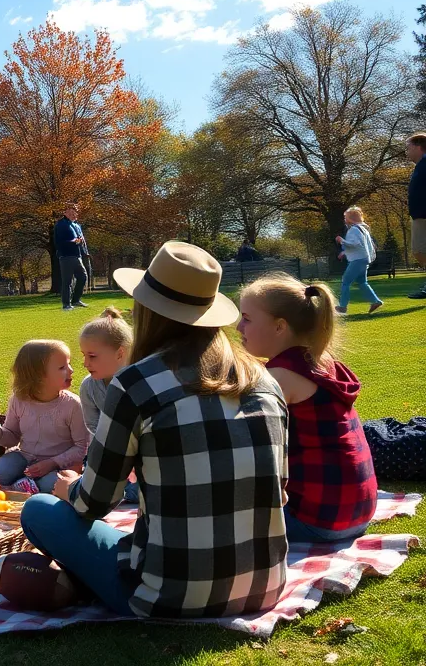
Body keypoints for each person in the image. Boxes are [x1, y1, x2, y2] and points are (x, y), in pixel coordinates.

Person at [21, 241, 288, 618]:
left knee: (39, 509)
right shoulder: (264, 379)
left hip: (170, 595)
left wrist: (70, 490)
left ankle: (80, 583)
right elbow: (280, 489)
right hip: (265, 587)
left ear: (146, 311)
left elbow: (95, 501)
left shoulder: (136, 383)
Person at [238, 274, 377, 543]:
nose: (238, 326)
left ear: (280, 327)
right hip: (357, 514)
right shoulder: (321, 361)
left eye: (247, 318)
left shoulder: (280, 376)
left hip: (317, 521)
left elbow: (244, 445)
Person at [0, 340, 90, 493]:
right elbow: (12, 437)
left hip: (58, 465)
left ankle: (26, 486)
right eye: (62, 367)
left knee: (57, 484)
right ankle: (22, 484)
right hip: (24, 458)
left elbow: (81, 448)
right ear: (38, 375)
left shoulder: (73, 405)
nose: (71, 371)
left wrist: (52, 463)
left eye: (68, 364)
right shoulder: (19, 400)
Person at [77, 307, 137, 503]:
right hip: (107, 450)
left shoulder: (138, 383)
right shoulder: (89, 386)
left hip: (140, 453)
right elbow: (92, 424)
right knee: (92, 488)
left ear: (120, 353)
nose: (85, 363)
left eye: (92, 356)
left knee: (136, 492)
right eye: (83, 355)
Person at [334, 206, 383, 315]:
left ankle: (342, 307)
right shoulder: (363, 229)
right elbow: (363, 246)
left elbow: (355, 244)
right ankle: (375, 301)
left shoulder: (353, 230)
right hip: (364, 259)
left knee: (345, 281)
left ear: (350, 219)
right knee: (362, 282)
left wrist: (342, 241)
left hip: (357, 260)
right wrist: (345, 252)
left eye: (345, 218)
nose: (344, 220)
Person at [54, 203, 89, 311]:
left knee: (83, 277)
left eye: (75, 212)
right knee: (67, 281)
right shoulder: (60, 225)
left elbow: (81, 240)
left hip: (77, 255)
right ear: (65, 213)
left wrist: (85, 252)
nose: (73, 214)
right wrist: (73, 241)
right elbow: (59, 242)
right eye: (70, 212)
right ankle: (66, 304)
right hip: (66, 256)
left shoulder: (76, 225)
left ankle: (76, 300)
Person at [407, 132, 426, 299]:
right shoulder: (419, 166)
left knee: (419, 250)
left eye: (409, 147)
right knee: (418, 250)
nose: (407, 151)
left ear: (419, 147)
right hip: (418, 216)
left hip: (424, 216)